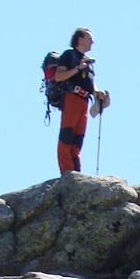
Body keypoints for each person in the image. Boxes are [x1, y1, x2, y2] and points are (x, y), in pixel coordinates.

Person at [53, 28, 110, 174]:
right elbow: (59, 76)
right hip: (71, 97)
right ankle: (66, 172)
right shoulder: (69, 55)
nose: (92, 42)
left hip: (84, 100)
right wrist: (78, 68)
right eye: (89, 38)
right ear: (80, 39)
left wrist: (98, 92)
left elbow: (90, 83)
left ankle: (76, 172)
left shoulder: (88, 62)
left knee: (78, 138)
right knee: (67, 135)